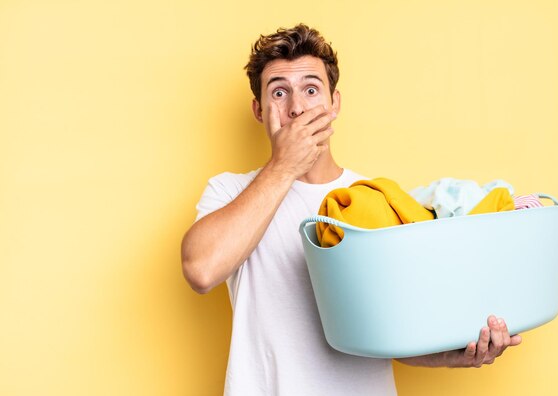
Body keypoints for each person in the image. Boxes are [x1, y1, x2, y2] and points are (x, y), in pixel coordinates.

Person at [181, 24, 522, 396]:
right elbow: (201, 270)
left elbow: (389, 328)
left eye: (311, 90)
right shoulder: (231, 191)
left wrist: (451, 354)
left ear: (334, 103)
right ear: (259, 110)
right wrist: (284, 166)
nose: (296, 108)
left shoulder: (374, 198)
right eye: (279, 92)